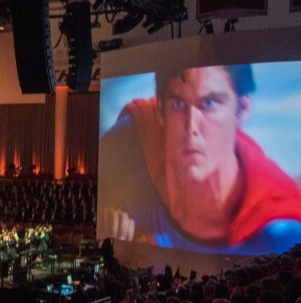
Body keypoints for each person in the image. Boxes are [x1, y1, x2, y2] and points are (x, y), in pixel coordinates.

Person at [99, 63, 301, 253]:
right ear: (160, 111)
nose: (191, 127)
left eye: (209, 103)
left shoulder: (280, 227)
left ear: (242, 110)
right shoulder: (133, 139)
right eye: (178, 104)